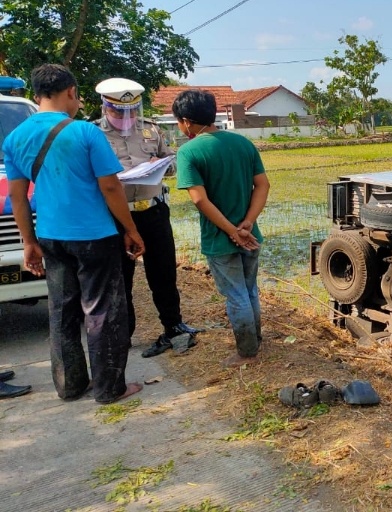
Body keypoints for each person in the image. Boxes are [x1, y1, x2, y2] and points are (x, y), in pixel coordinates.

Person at [3, 63, 144, 404]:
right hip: (94, 235)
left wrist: (29, 242)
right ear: (70, 92)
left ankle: (70, 386)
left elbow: (19, 197)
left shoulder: (14, 138)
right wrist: (131, 228)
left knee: (62, 312)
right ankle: (110, 388)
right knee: (102, 311)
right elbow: (110, 187)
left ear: (36, 96)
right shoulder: (85, 133)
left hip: (50, 235)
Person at [94, 77, 199, 357]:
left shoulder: (152, 130)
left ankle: (173, 326)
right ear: (105, 107)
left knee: (163, 271)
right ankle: (123, 334)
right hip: (116, 217)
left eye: (132, 111)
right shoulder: (93, 134)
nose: (127, 118)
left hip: (153, 211)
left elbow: (174, 162)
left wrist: (161, 166)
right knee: (120, 277)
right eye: (119, 111)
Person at [172, 89, 270, 368]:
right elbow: (262, 185)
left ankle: (247, 351)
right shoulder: (243, 144)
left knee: (236, 294)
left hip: (221, 239)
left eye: (179, 122)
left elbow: (200, 199)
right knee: (250, 289)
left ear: (188, 122)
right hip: (250, 236)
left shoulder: (189, 151)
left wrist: (231, 231)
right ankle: (256, 340)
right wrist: (247, 222)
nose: (180, 126)